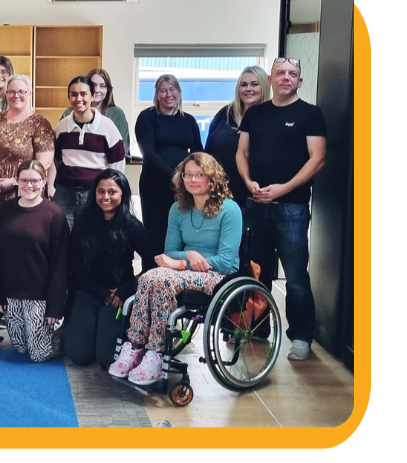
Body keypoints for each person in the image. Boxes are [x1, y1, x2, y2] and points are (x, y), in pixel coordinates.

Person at [109, 153, 241, 386]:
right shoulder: (178, 209)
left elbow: (225, 261)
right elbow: (170, 251)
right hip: (184, 272)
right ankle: (135, 346)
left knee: (162, 280)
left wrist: (181, 263)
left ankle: (155, 353)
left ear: (212, 178)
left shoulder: (229, 210)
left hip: (218, 275)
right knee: (149, 277)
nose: (192, 179)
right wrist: (188, 256)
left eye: (199, 174)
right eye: (188, 174)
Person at [237, 57, 327, 361]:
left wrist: (283, 188)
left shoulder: (310, 114)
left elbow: (318, 158)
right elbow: (242, 152)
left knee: (296, 277)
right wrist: (248, 182)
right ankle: (257, 328)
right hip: (255, 206)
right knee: (256, 273)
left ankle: (300, 336)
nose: (286, 77)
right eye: (281, 73)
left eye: (293, 74)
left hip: (292, 209)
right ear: (271, 80)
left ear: (300, 81)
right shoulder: (255, 114)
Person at [64, 169, 157, 369]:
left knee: (106, 357)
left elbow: (154, 262)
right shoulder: (83, 221)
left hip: (117, 299)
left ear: (122, 194)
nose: (105, 197)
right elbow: (73, 264)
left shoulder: (132, 225)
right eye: (101, 191)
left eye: (112, 192)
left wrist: (126, 290)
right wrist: (100, 292)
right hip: (87, 293)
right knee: (79, 355)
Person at [0, 160, 70, 362]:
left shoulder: (55, 215)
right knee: (20, 348)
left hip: (40, 296)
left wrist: (55, 306)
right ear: (17, 181)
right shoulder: (3, 212)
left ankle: (65, 335)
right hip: (11, 294)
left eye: (35, 181)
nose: (29, 185)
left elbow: (61, 264)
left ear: (44, 181)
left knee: (38, 353)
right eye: (24, 180)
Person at [134, 74, 203, 261]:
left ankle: (179, 274)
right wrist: (175, 176)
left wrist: (192, 177)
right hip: (155, 186)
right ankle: (152, 275)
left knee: (183, 234)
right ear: (156, 94)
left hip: (185, 188)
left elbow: (198, 152)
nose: (168, 95)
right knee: (156, 235)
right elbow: (148, 153)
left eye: (172, 90)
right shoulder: (147, 117)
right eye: (163, 90)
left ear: (179, 92)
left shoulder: (188, 120)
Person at [52, 75, 126, 229]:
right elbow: (56, 160)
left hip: (94, 193)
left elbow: (117, 164)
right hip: (64, 192)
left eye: (83, 94)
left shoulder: (107, 127)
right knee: (62, 235)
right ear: (69, 97)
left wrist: (107, 192)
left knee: (91, 236)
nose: (78, 99)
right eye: (74, 94)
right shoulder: (61, 127)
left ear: (92, 96)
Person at [0, 74, 55, 217]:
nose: (16, 95)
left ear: (29, 94)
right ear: (6, 94)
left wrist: (15, 182)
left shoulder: (40, 124)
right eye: (11, 92)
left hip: (22, 192)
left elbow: (44, 163)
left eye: (21, 92)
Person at [206, 66, 270, 209]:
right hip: (220, 190)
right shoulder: (225, 113)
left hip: (255, 194)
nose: (248, 89)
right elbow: (208, 149)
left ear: (264, 87)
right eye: (244, 84)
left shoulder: (271, 117)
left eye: (254, 84)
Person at [60, 68, 131, 163]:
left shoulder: (117, 114)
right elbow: (59, 147)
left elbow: (123, 151)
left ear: (108, 90)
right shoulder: (69, 113)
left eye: (102, 86)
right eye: (93, 85)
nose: (97, 90)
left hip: (105, 168)